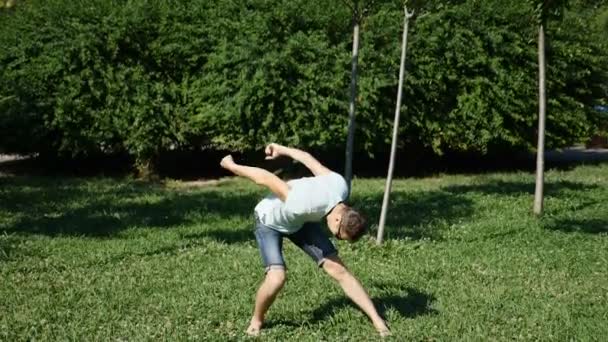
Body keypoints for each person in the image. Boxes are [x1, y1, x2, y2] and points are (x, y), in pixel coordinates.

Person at [220, 143, 390, 337]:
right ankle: (257, 320)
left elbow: (308, 159)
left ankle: (378, 321)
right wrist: (231, 166)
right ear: (337, 219)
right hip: (269, 221)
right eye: (337, 235)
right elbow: (265, 178)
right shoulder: (302, 203)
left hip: (301, 222)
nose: (334, 236)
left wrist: (282, 149)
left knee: (338, 269)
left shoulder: (340, 186)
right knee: (277, 278)